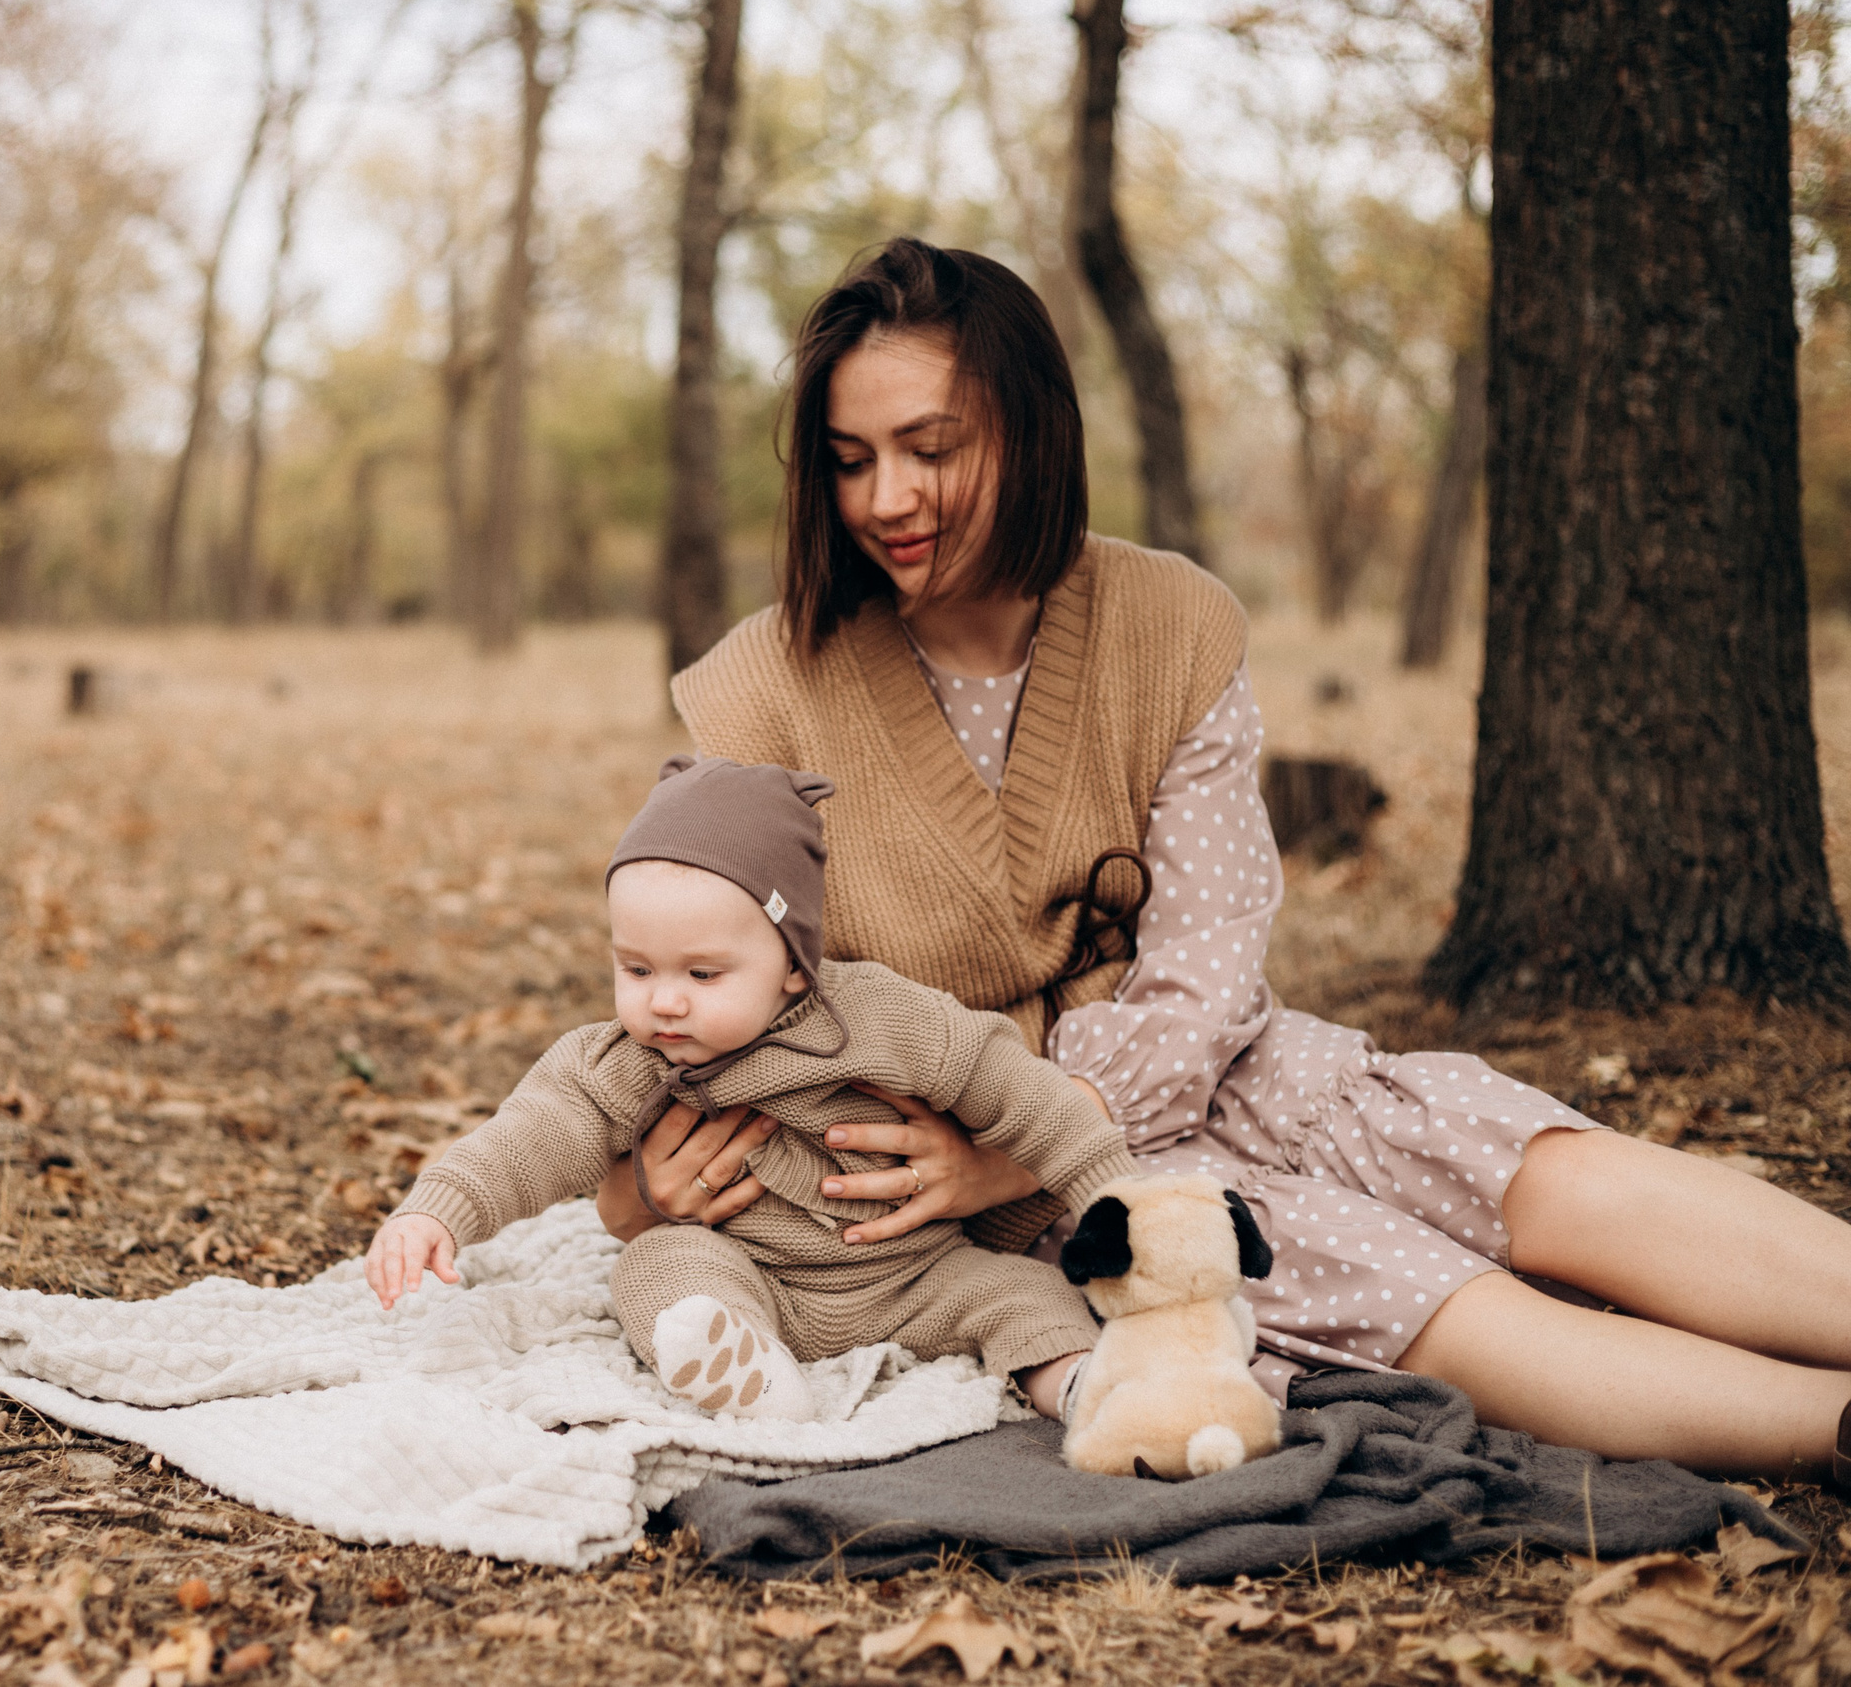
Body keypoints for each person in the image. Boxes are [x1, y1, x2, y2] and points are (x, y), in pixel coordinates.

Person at [595, 235, 1851, 1486]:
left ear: (1032, 433)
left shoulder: (1169, 622)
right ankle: (1827, 1432)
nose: (887, 500)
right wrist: (641, 1181)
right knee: (1431, 1295)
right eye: (851, 459)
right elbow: (705, 971)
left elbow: (1206, 955)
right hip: (979, 1179)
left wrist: (1055, 1130)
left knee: (1547, 1176)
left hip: (1217, 1067)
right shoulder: (764, 689)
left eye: (932, 449)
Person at [365, 754, 1139, 1422]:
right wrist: (440, 1206)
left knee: (1022, 1294)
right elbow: (534, 1132)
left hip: (917, 1272)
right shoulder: (629, 1060)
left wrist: (1124, 1198)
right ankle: (746, 1370)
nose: (664, 1001)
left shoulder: (881, 1018)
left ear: (794, 964)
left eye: (702, 973)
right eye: (636, 968)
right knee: (656, 1265)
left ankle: (1078, 1386)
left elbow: (1022, 1094)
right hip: (755, 1278)